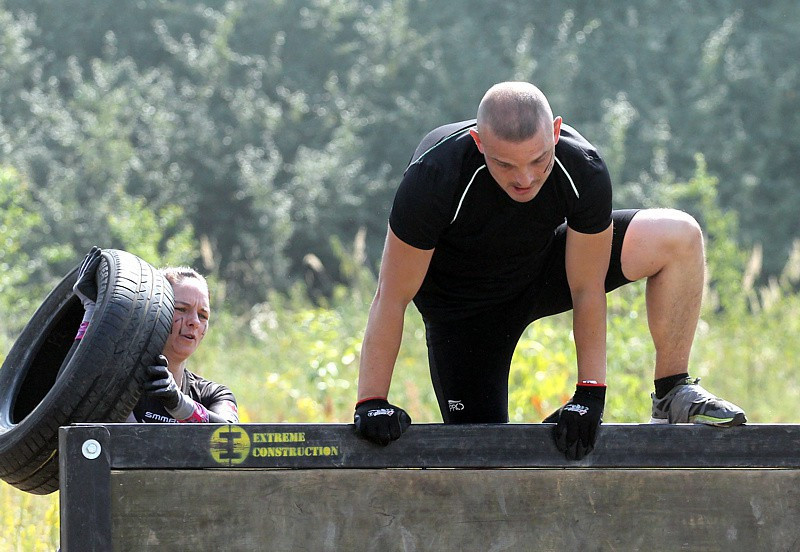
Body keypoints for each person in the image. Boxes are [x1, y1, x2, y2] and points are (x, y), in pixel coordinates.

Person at [353, 81, 746, 459]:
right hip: (464, 312)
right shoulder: (434, 176)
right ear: (479, 142)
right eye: (505, 164)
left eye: (539, 159)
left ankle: (672, 393)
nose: (524, 178)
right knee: (487, 462)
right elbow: (392, 296)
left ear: (556, 132)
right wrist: (371, 401)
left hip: (542, 269)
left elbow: (587, 286)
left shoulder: (582, 166)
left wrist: (590, 394)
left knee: (678, 235)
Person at [72, 247, 239, 424]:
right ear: (155, 311)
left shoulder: (214, 394)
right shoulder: (114, 381)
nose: (194, 322)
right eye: (182, 309)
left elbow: (232, 435)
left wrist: (178, 403)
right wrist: (91, 311)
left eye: (203, 315)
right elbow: (70, 396)